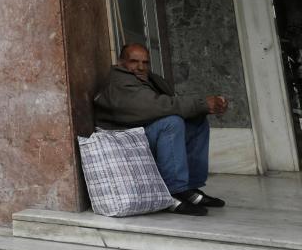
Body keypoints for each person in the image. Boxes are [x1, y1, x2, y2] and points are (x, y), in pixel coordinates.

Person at [94, 43, 229, 216]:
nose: (141, 67)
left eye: (145, 62)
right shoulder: (120, 83)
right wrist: (202, 103)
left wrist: (205, 107)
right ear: (121, 63)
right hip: (126, 141)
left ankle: (189, 188)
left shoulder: (149, 80)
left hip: (142, 132)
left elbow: (167, 103)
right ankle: (172, 192)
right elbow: (156, 107)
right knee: (171, 123)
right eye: (134, 61)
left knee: (196, 121)